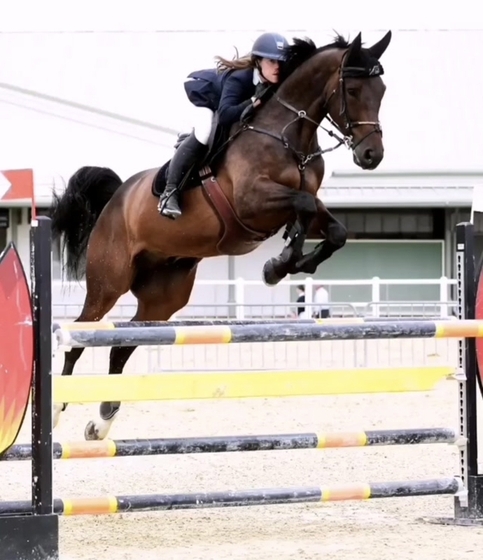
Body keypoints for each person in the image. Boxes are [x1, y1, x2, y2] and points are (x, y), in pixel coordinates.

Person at [158, 32, 289, 220]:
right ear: (258, 61)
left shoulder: (275, 80)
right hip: (209, 99)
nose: (277, 67)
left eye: (280, 62)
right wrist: (252, 102)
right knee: (203, 134)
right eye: (271, 61)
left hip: (231, 107)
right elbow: (226, 115)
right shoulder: (239, 78)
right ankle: (169, 194)